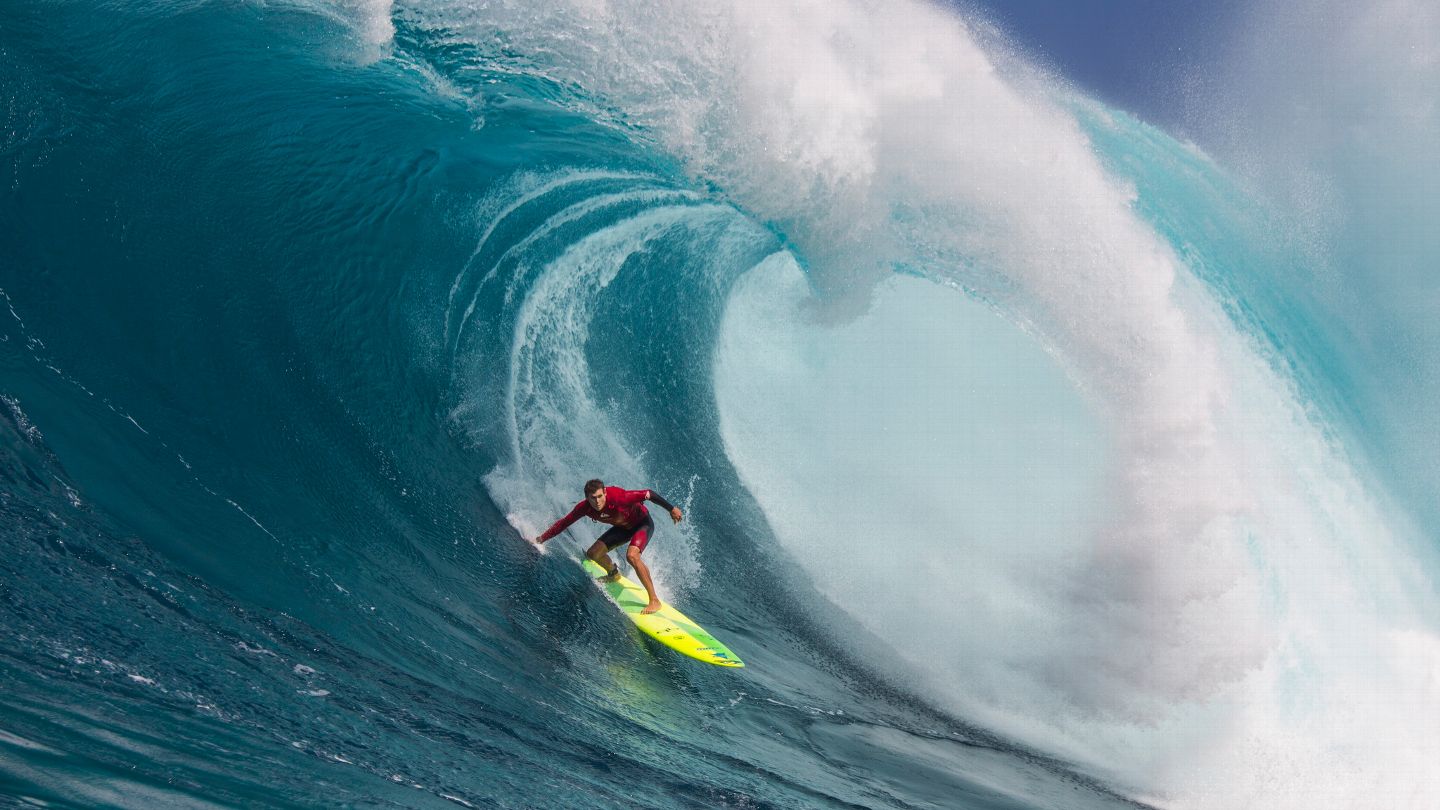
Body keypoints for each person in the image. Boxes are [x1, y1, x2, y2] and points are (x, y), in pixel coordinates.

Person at [533, 479, 682, 614]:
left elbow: (649, 494)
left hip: (642, 524)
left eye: (600, 496)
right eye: (593, 498)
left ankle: (654, 600)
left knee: (631, 556)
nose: (597, 501)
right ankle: (613, 573)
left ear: (604, 492)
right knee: (593, 554)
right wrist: (541, 539)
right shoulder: (584, 508)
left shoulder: (619, 497)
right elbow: (564, 523)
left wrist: (671, 509)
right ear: (587, 498)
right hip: (622, 529)